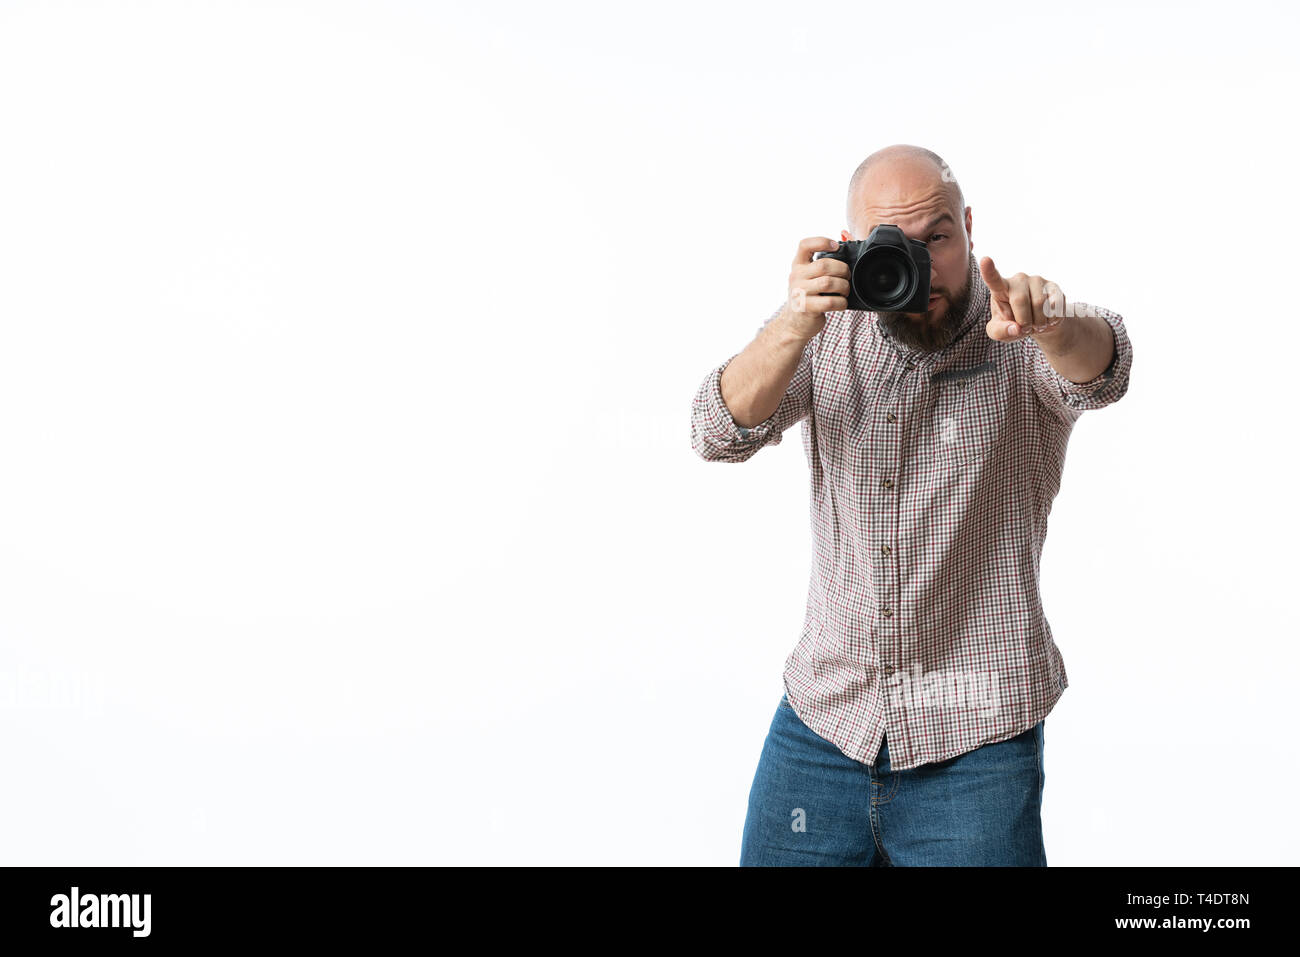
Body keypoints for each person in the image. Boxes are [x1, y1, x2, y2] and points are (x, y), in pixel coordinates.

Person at [689, 144, 1134, 866]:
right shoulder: (829, 331)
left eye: (938, 237)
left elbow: (1104, 369)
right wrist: (796, 319)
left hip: (976, 741)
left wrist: (1056, 325)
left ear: (968, 227)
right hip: (827, 722)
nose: (922, 266)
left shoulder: (1021, 333)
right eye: (896, 243)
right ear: (856, 245)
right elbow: (716, 432)